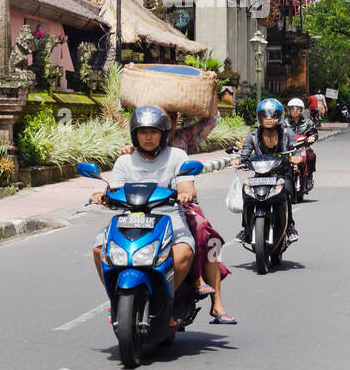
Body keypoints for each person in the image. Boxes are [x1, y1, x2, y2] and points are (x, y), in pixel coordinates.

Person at [91, 106, 236, 323]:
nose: (148, 137)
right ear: (135, 134)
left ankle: (167, 302)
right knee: (99, 248)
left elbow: (186, 184)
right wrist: (102, 195)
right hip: (131, 215)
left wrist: (185, 192)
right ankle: (115, 301)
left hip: (168, 214)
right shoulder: (124, 160)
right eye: (143, 132)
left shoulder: (177, 155)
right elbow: (114, 189)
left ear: (164, 133)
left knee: (189, 249)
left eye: (154, 132)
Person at [233, 99, 301, 243]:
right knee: (247, 194)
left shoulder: (287, 133)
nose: (269, 118)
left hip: (282, 173)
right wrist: (239, 160)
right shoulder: (253, 136)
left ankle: (289, 227)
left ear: (278, 117)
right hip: (261, 174)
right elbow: (245, 154)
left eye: (272, 115)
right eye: (265, 115)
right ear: (260, 117)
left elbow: (296, 150)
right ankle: (246, 230)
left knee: (286, 192)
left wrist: (296, 158)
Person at [284, 98, 319, 191]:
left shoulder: (308, 122)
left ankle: (309, 176)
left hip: (303, 147)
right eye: (292, 108)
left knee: (311, 155)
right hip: (288, 148)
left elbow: (313, 132)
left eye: (297, 108)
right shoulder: (284, 123)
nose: (294, 110)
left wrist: (312, 137)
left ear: (301, 110)